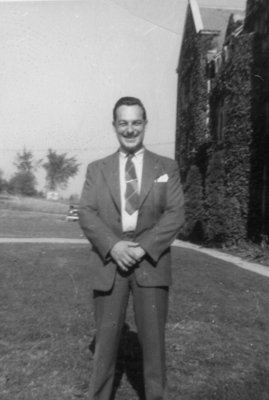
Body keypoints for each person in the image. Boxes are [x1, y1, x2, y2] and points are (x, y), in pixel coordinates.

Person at [79, 96, 185, 400]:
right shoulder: (96, 169)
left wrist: (142, 248)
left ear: (145, 124)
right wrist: (113, 246)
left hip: (151, 264)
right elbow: (86, 212)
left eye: (136, 122)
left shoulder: (166, 167)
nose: (129, 129)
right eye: (123, 123)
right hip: (108, 265)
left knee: (154, 351)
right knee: (105, 351)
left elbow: (175, 213)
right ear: (114, 126)